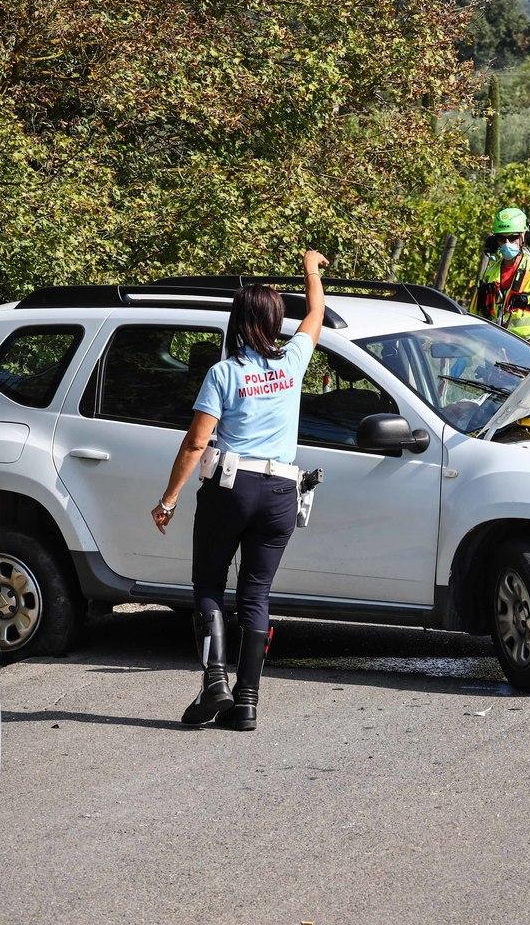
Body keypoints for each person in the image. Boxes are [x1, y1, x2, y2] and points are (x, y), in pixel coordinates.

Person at [151, 250, 327, 731]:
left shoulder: (224, 373)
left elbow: (196, 443)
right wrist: (311, 270)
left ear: (237, 322)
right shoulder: (292, 362)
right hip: (280, 493)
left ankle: (215, 685)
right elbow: (316, 314)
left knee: (209, 585)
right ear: (273, 322)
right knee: (256, 593)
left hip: (230, 487)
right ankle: (246, 702)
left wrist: (169, 499)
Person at [470, 207, 530, 348]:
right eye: (501, 239)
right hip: (494, 352)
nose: (507, 243)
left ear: (524, 236)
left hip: (527, 352)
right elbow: (476, 313)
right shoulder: (490, 273)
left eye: (513, 237)